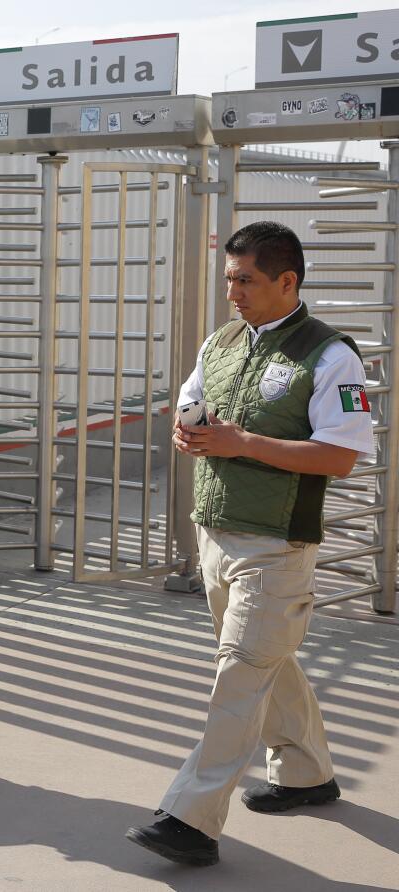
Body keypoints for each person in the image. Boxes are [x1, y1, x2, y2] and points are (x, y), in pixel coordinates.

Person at [127, 221, 376, 865]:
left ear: (287, 281)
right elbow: (193, 405)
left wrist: (245, 444)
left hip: (275, 548)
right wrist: (190, 432)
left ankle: (191, 819)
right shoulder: (222, 342)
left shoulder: (331, 356)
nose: (232, 292)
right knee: (266, 660)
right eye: (229, 279)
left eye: (246, 280)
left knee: (239, 677)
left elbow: (342, 457)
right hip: (217, 535)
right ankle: (306, 773)